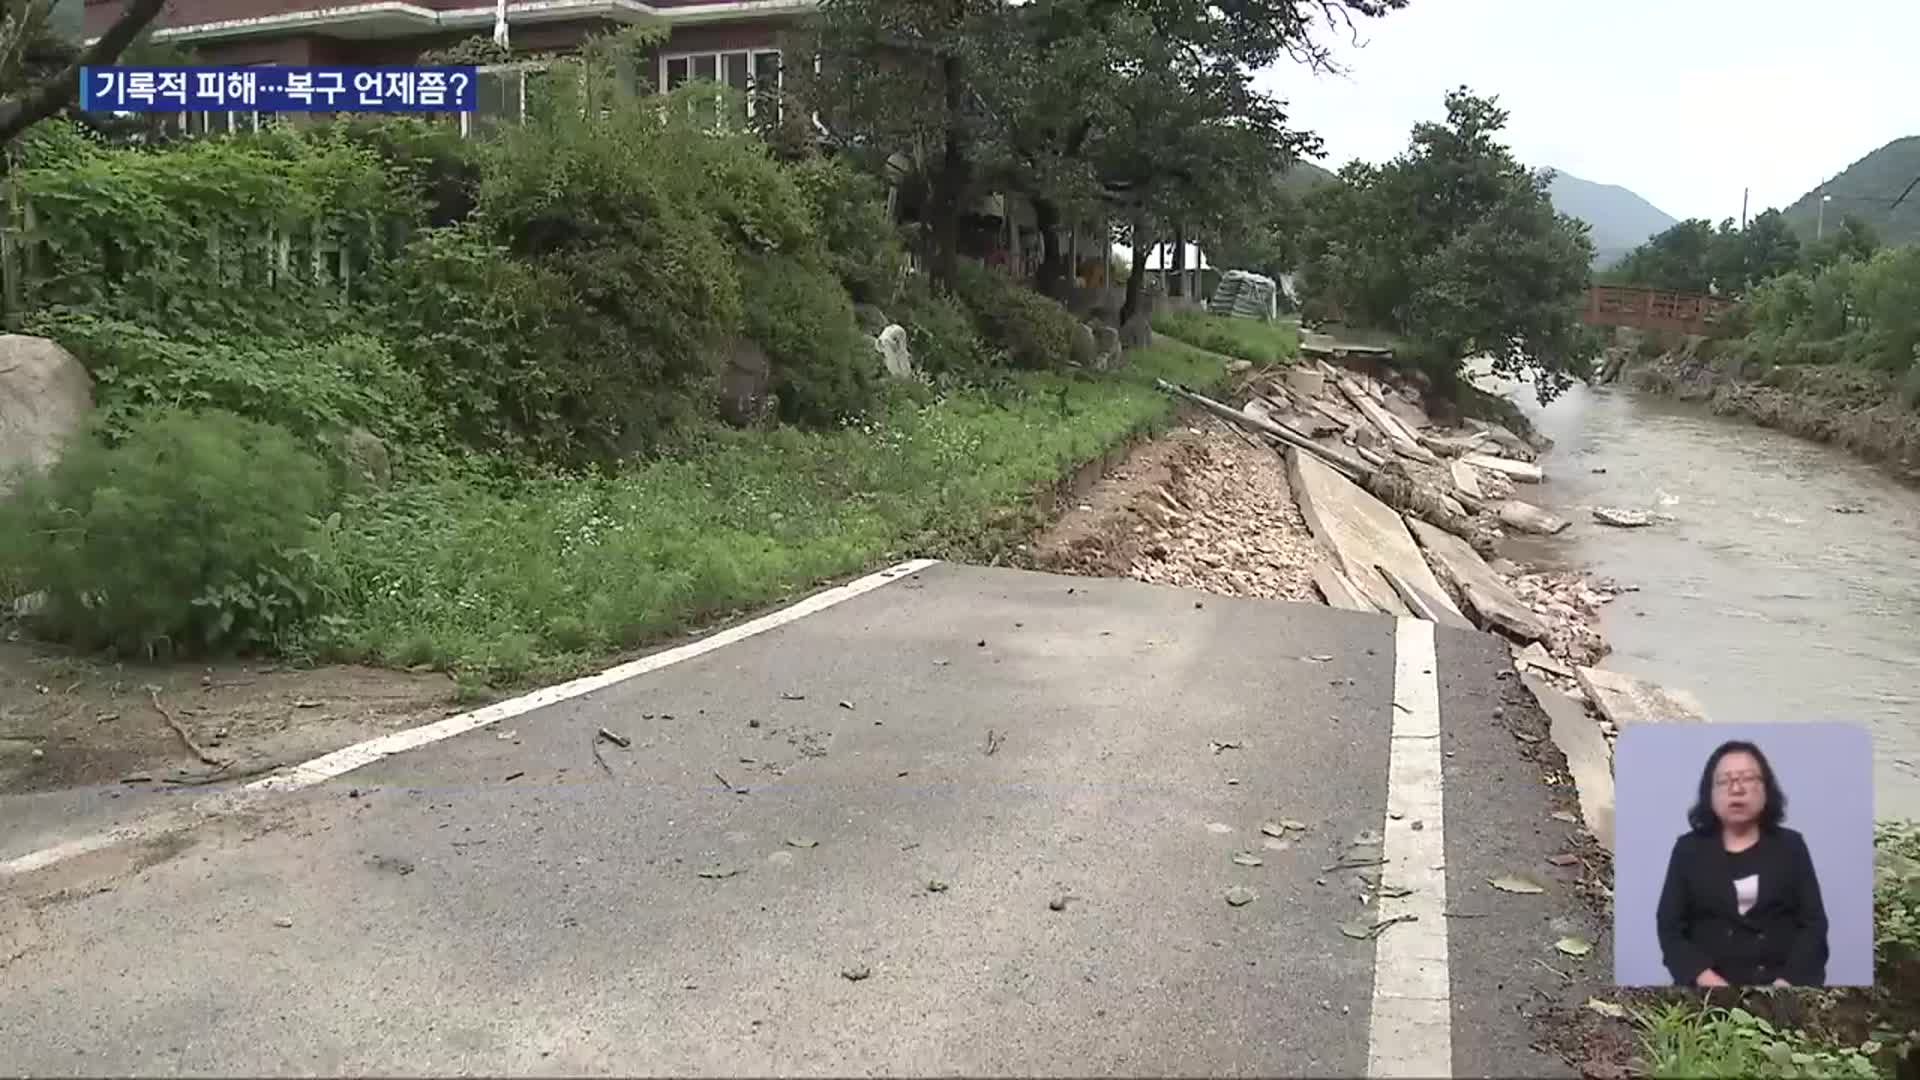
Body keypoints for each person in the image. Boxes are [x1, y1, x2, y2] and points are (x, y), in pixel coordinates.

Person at [1656, 740, 1828, 987]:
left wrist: (1786, 984)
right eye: (1725, 781)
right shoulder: (1688, 850)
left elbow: (1814, 926)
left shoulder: (1791, 846)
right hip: (1707, 991)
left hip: (1784, 988)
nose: (1736, 789)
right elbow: (1670, 929)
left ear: (1766, 789)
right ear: (1710, 794)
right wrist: (1708, 981)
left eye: (1747, 779)